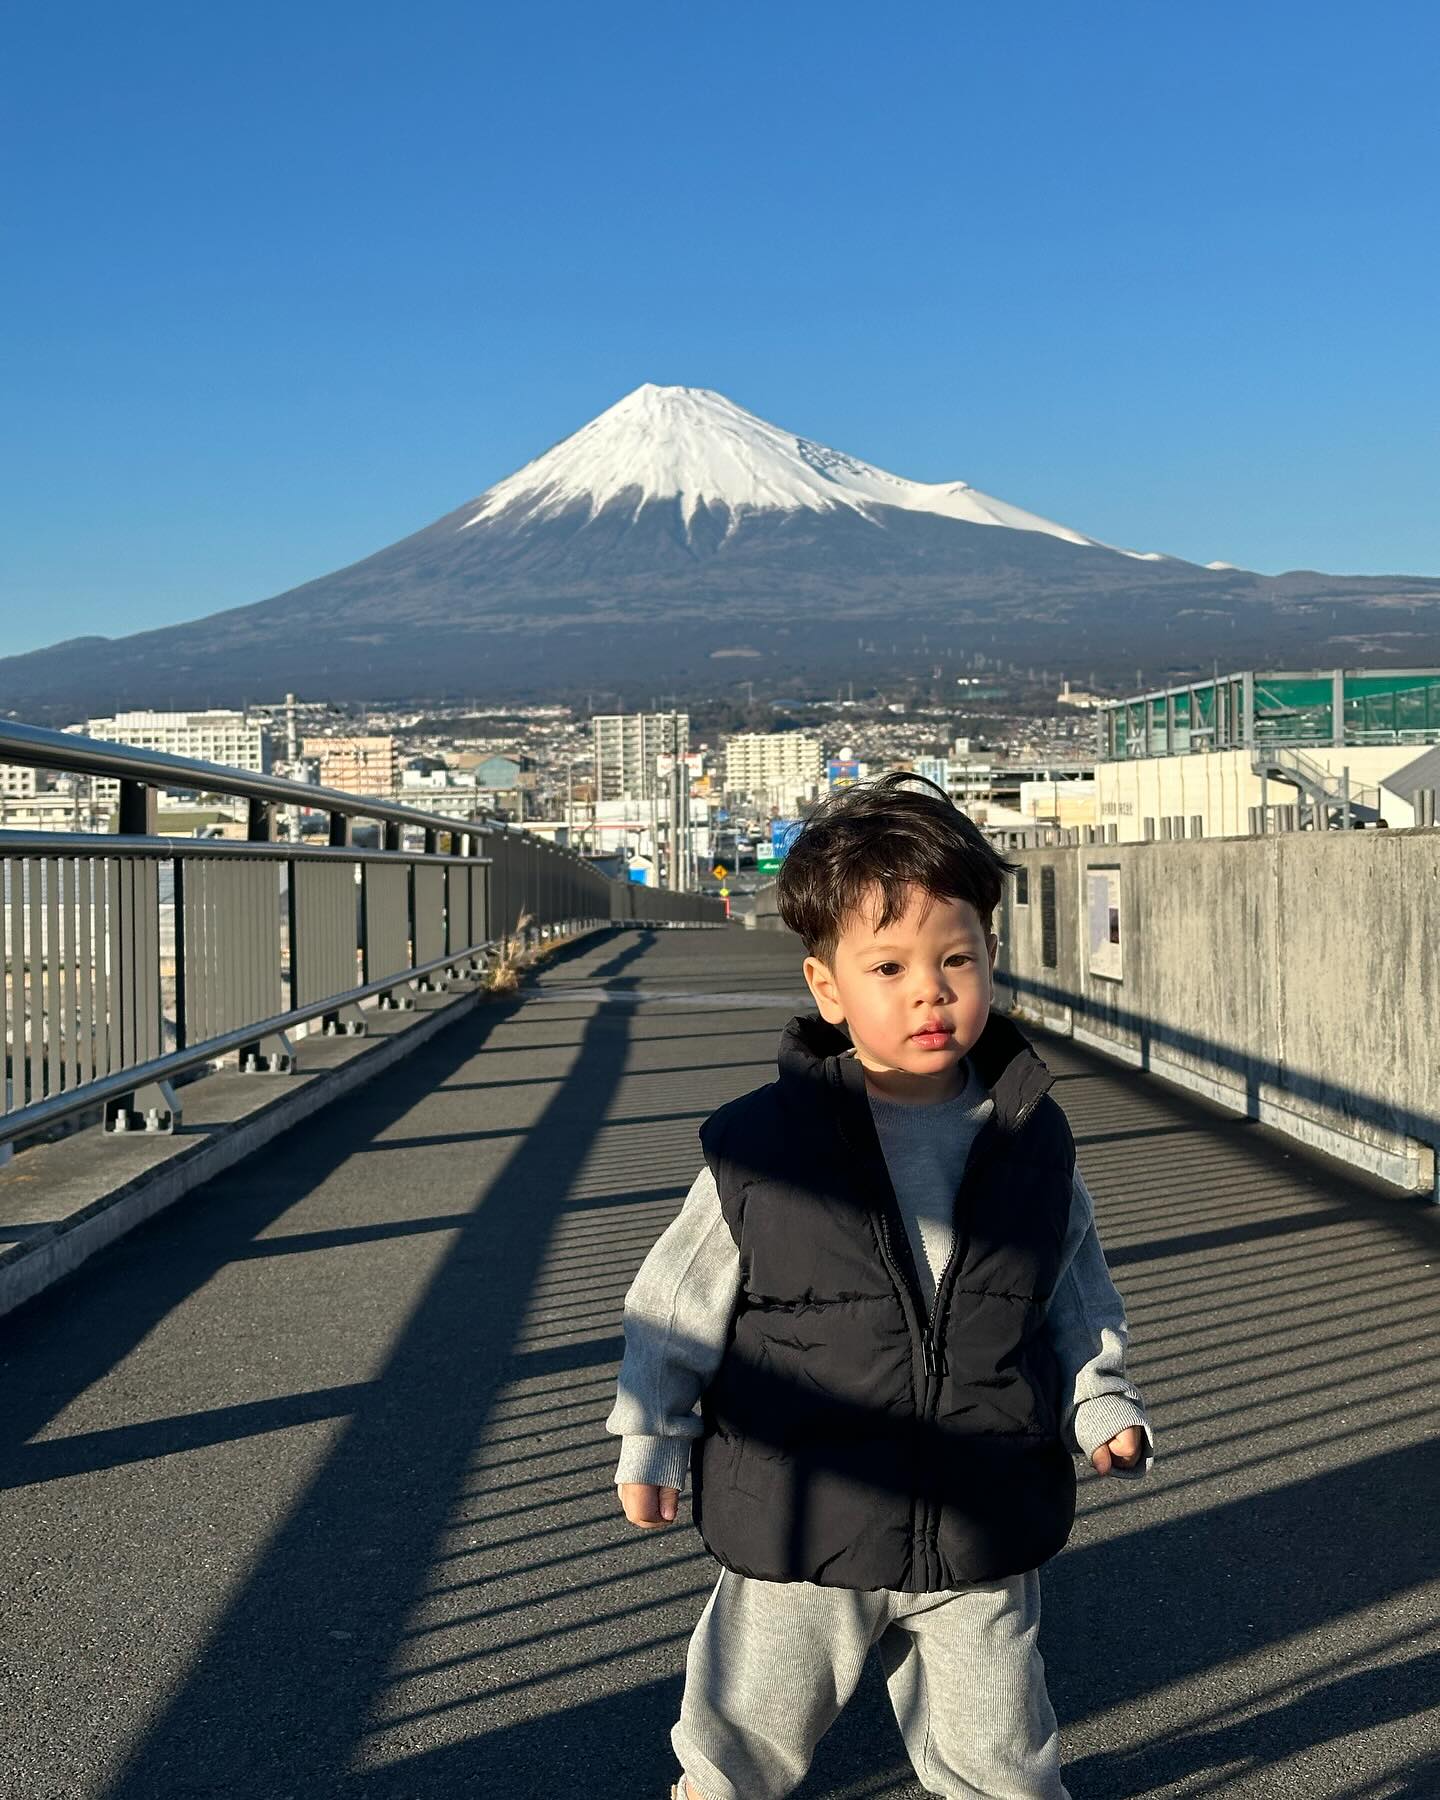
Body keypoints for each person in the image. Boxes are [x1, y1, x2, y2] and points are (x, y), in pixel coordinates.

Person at [606, 772, 1153, 1800]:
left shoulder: (1031, 1141)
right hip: (801, 1516)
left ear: (993, 958)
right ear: (826, 987)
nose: (929, 993)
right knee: (739, 1748)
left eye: (958, 960)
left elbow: (1074, 1290)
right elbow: (671, 1309)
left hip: (979, 1511)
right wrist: (653, 1437)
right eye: (889, 966)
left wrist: (1101, 1396)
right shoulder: (762, 1151)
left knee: (1003, 1762)